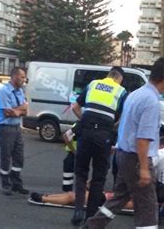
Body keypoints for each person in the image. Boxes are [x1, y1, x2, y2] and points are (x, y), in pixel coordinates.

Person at [86, 57, 164, 229]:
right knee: (148, 209)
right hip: (137, 159)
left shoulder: (135, 94)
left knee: (119, 198)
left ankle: (92, 226)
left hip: (124, 155)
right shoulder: (151, 101)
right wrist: (143, 168)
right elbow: (143, 137)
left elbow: (124, 126)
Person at [71, 66, 127, 226]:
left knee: (81, 173)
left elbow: (75, 107)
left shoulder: (93, 84)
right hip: (103, 135)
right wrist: (112, 127)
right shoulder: (121, 91)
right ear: (118, 78)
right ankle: (90, 217)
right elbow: (122, 118)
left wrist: (85, 121)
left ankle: (78, 211)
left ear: (108, 75)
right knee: (98, 177)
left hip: (86, 132)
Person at [0, 67, 29, 196]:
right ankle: (5, 184)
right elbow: (7, 113)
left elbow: (25, 110)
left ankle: (16, 183)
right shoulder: (3, 91)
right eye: (22, 77)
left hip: (16, 128)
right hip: (6, 128)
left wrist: (17, 110)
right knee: (6, 156)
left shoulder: (20, 91)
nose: (24, 79)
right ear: (15, 77)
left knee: (19, 157)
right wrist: (19, 110)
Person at [30, 190, 134, 210]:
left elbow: (120, 204)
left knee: (72, 197)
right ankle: (47, 196)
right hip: (101, 195)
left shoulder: (134, 203)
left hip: (101, 200)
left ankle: (42, 199)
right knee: (71, 194)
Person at [62, 123, 78, 192]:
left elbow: (66, 136)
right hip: (76, 155)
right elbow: (66, 136)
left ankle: (67, 193)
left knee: (67, 181)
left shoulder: (77, 124)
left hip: (72, 155)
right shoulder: (81, 125)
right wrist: (74, 151)